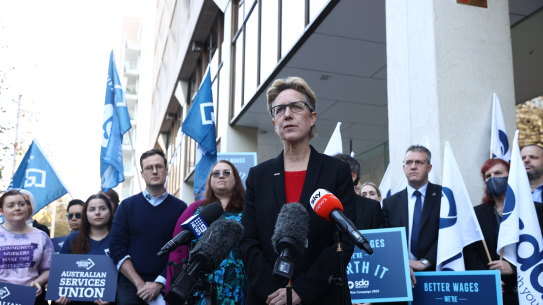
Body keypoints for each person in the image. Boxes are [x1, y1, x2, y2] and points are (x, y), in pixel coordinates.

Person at [240, 76, 356, 305]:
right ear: (274, 123)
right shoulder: (258, 176)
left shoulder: (336, 171)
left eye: (296, 107)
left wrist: (301, 290)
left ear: (312, 117)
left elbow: (343, 241)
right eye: (279, 110)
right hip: (268, 297)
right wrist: (271, 290)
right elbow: (248, 241)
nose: (287, 114)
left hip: (321, 295)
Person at [110, 149, 187, 305]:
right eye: (149, 167)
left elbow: (182, 249)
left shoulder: (181, 208)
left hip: (168, 285)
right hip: (130, 287)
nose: (154, 171)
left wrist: (159, 283)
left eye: (159, 167)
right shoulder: (126, 206)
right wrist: (139, 284)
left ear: (166, 171)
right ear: (142, 173)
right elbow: (116, 247)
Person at [463, 158, 543, 305]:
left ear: (511, 176)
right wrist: (487, 277)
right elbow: (469, 250)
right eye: (488, 176)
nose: (492, 178)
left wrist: (514, 267)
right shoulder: (476, 214)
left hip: (530, 291)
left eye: (498, 173)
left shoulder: (536, 210)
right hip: (493, 290)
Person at [167, 160, 246, 305]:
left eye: (226, 172)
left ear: (236, 178)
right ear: (210, 181)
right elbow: (180, 250)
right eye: (215, 173)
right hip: (200, 284)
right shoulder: (196, 210)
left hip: (236, 283)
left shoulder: (248, 211)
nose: (221, 176)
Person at [382, 145, 441, 280]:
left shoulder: (443, 196)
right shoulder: (390, 203)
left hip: (436, 271)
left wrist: (425, 262)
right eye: (408, 162)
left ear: (429, 168)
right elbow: (387, 239)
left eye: (419, 162)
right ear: (404, 168)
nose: (413, 166)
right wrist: (403, 263)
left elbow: (448, 232)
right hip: (401, 272)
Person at [56, 193, 114, 305]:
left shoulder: (118, 239)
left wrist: (112, 295)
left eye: (102, 208)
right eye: (92, 209)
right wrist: (58, 295)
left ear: (110, 212)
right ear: (86, 214)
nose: (97, 212)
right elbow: (59, 271)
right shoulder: (73, 238)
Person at [0, 189, 54, 305]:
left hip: (32, 298)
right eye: (11, 205)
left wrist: (38, 282)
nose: (18, 208)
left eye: (21, 204)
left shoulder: (41, 236)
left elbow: (49, 269)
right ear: (1, 211)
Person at [333, 154, 383, 230]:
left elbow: (380, 237)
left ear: (353, 176)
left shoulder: (371, 207)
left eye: (336, 172)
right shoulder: (321, 206)